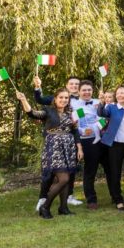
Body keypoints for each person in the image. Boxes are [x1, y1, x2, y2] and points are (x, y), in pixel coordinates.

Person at [17, 88, 83, 219]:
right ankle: (45, 207)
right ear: (55, 98)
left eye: (66, 98)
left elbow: (75, 131)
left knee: (66, 178)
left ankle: (63, 208)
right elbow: (32, 113)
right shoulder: (48, 111)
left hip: (69, 147)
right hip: (54, 147)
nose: (63, 100)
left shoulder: (72, 112)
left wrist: (79, 148)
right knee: (64, 178)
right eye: (61, 97)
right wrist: (24, 100)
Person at [32, 75, 83, 210]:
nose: (74, 86)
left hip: (70, 142)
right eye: (71, 83)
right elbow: (40, 99)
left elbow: (76, 126)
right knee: (51, 174)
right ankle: (43, 199)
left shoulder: (83, 100)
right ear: (66, 85)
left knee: (68, 172)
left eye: (76, 84)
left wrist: (79, 145)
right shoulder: (58, 97)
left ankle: (67, 200)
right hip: (54, 142)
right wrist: (38, 86)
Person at [98, 85, 124, 210]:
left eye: (123, 93)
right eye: (118, 93)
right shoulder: (111, 107)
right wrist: (101, 102)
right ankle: (117, 199)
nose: (120, 95)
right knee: (115, 172)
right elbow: (101, 114)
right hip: (115, 145)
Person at [71, 80, 105, 210]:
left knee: (98, 169)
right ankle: (85, 199)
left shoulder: (98, 102)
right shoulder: (73, 104)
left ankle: (98, 198)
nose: (86, 92)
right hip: (80, 139)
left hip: (96, 140)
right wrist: (82, 131)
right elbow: (71, 122)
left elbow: (105, 118)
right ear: (79, 91)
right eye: (84, 90)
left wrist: (97, 126)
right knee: (81, 170)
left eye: (89, 90)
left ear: (92, 91)